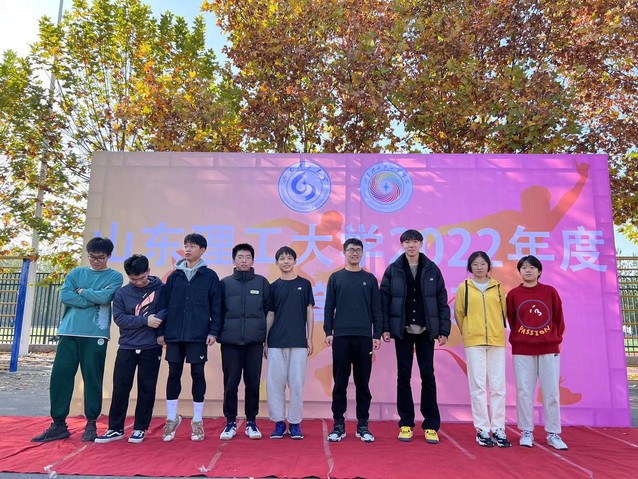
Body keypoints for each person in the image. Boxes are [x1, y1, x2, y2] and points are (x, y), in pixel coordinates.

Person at [32, 237, 123, 443]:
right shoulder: (76, 273)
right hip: (69, 331)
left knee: (92, 378)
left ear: (109, 256)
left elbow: (105, 298)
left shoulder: (115, 276)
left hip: (95, 334)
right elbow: (66, 296)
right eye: (92, 257)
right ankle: (58, 424)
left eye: (100, 257)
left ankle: (91, 423)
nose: (96, 261)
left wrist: (82, 292)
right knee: (60, 376)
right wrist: (92, 297)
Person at [380, 229, 450, 444]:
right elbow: (384, 301)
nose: (411, 245)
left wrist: (443, 330)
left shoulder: (432, 269)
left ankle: (431, 425)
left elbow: (441, 300)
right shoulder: (393, 269)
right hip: (402, 331)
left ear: (421, 244)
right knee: (404, 376)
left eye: (415, 241)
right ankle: (406, 423)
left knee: (428, 376)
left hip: (426, 331)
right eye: (407, 242)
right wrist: (385, 327)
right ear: (402, 245)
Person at [156, 233, 222, 442]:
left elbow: (217, 306)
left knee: (197, 373)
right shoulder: (174, 276)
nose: (187, 249)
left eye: (192, 246)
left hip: (198, 334)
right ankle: (171, 418)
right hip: (174, 334)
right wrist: (160, 332)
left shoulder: (210, 276)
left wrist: (213, 331)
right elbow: (163, 305)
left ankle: (197, 421)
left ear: (202, 250)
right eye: (186, 246)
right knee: (173, 373)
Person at [95, 254, 164, 444]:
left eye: (142, 278)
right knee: (120, 388)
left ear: (148, 271)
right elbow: (120, 319)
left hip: (151, 347)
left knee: (146, 388)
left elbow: (165, 311)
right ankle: (115, 428)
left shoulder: (161, 289)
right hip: (127, 346)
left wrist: (158, 325)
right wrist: (145, 321)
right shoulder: (121, 293)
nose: (139, 282)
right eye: (134, 279)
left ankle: (140, 428)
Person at [506, 255, 568, 450]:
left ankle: (553, 433)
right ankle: (526, 431)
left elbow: (558, 319)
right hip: (522, 350)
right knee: (524, 391)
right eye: (524, 267)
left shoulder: (550, 292)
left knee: (551, 391)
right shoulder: (513, 295)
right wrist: (522, 337)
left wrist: (552, 338)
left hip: (548, 348)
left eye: (532, 267)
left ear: (539, 271)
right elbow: (512, 321)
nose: (528, 270)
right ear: (519, 271)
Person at [324, 238, 382, 443]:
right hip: (341, 337)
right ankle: (338, 425)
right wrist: (328, 331)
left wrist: (376, 334)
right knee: (340, 383)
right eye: (351, 250)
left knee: (362, 384)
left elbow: (377, 309)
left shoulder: (370, 279)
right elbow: (329, 307)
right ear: (344, 252)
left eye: (358, 250)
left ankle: (362, 425)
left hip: (364, 337)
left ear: (362, 253)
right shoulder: (336, 278)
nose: (354, 253)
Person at [454, 251, 511, 447]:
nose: (479, 267)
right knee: (477, 386)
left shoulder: (498, 287)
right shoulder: (464, 287)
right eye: (475, 264)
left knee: (498, 387)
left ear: (489, 266)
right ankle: (482, 429)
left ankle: (498, 428)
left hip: (496, 341)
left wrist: (497, 331)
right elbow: (459, 313)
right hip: (474, 342)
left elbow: (503, 312)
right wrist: (469, 333)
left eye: (483, 264)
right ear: (470, 267)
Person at [215, 243, 271, 440]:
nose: (244, 260)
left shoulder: (262, 283)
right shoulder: (224, 284)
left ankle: (251, 422)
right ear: (234, 260)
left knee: (253, 383)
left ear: (253, 260)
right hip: (230, 342)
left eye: (248, 257)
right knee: (230, 384)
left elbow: (268, 311)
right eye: (240, 257)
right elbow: (218, 312)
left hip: (254, 342)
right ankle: (230, 422)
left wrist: (265, 338)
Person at [264, 246, 315, 440]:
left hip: (299, 342)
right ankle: (278, 422)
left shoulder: (305, 284)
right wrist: (266, 341)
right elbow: (270, 314)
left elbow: (309, 311)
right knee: (275, 385)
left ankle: (294, 423)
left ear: (295, 261)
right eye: (282, 258)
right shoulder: (273, 287)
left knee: (296, 384)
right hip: (275, 342)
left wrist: (309, 338)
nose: (286, 261)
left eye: (289, 258)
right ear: (276, 263)